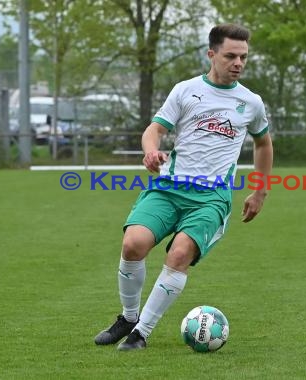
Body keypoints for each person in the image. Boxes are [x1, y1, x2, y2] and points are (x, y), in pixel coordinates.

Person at [94, 23, 273, 351]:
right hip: (169, 187)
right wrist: (150, 151)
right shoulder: (186, 90)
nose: (238, 63)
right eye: (230, 55)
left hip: (211, 198)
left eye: (243, 57)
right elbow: (154, 130)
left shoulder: (250, 102)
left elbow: (263, 144)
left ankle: (140, 334)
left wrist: (260, 190)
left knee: (179, 254)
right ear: (211, 54)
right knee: (133, 244)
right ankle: (128, 317)